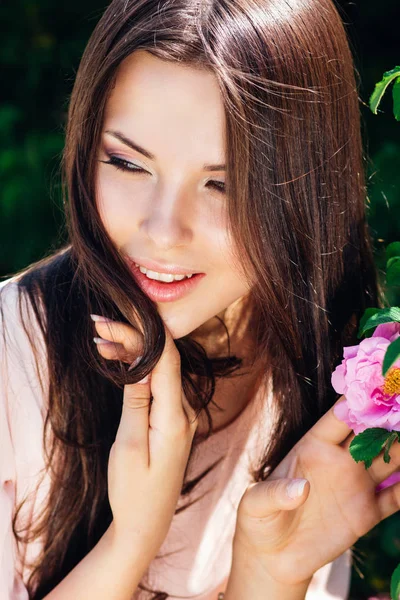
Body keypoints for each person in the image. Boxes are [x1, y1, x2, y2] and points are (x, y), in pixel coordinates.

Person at [1, 0, 398, 598]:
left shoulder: (324, 369)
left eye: (223, 184)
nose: (163, 231)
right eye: (128, 163)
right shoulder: (15, 361)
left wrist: (269, 574)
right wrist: (130, 540)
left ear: (307, 190)